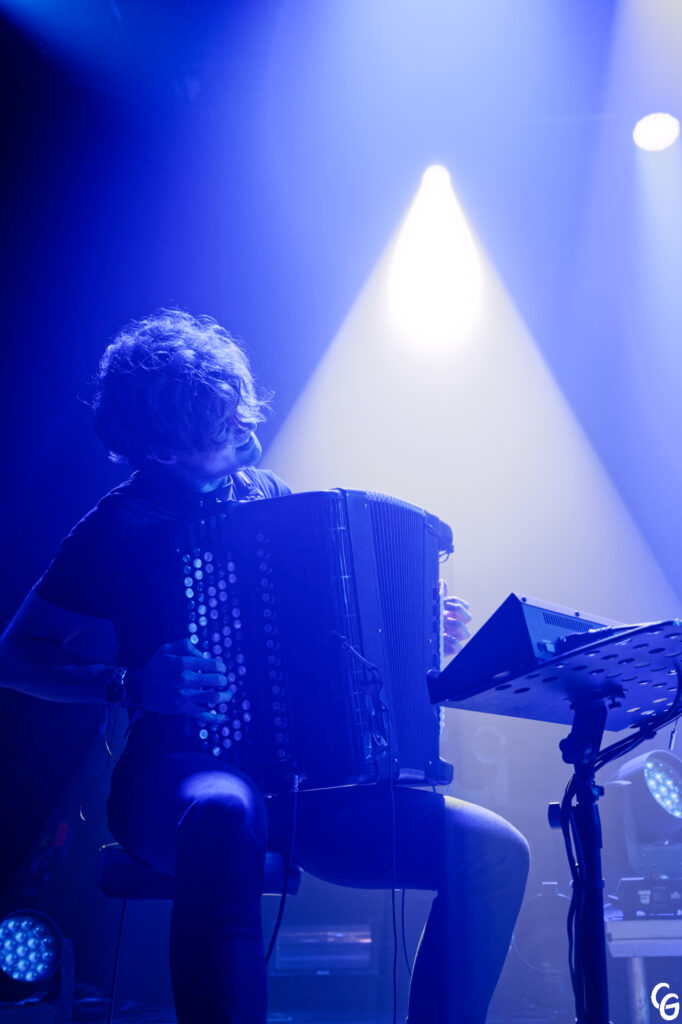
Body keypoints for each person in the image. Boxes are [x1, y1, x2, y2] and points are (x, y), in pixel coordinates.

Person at [0, 309, 529, 1024]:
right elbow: (15, 657)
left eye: (237, 409)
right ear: (159, 448)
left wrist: (418, 634)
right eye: (218, 426)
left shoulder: (268, 498)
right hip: (176, 776)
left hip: (310, 790)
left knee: (495, 853)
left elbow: (333, 643)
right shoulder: (115, 529)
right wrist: (129, 684)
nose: (243, 430)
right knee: (226, 809)